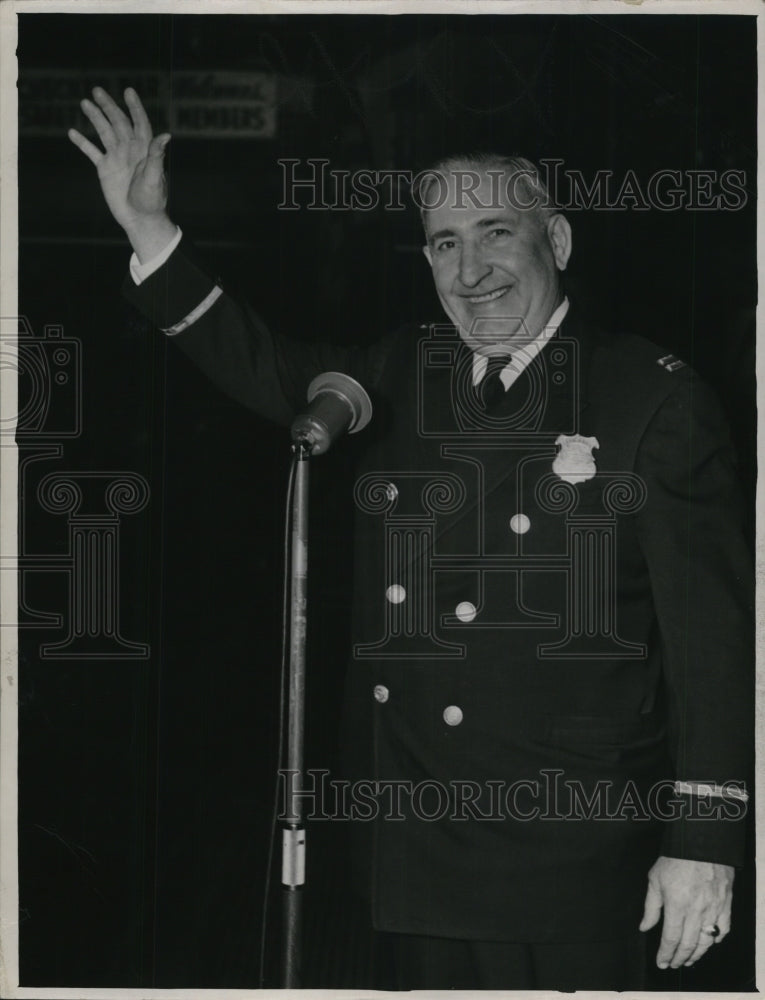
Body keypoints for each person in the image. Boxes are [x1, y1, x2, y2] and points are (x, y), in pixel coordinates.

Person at [69, 87, 753, 991]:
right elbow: (268, 368)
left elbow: (713, 643)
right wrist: (149, 229)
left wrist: (703, 839)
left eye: (495, 234)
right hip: (415, 841)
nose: (470, 270)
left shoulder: (650, 397)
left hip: (573, 851)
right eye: (444, 243)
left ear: (556, 241)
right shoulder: (400, 368)